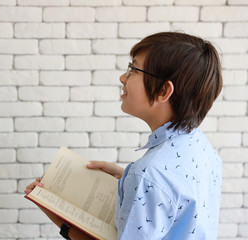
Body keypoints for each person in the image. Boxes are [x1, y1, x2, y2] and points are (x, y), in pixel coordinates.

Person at [25, 32, 223, 239]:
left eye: (133, 69)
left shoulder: (148, 176)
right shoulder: (201, 146)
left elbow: (156, 183)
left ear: (163, 91)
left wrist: (57, 216)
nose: (122, 78)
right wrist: (125, 177)